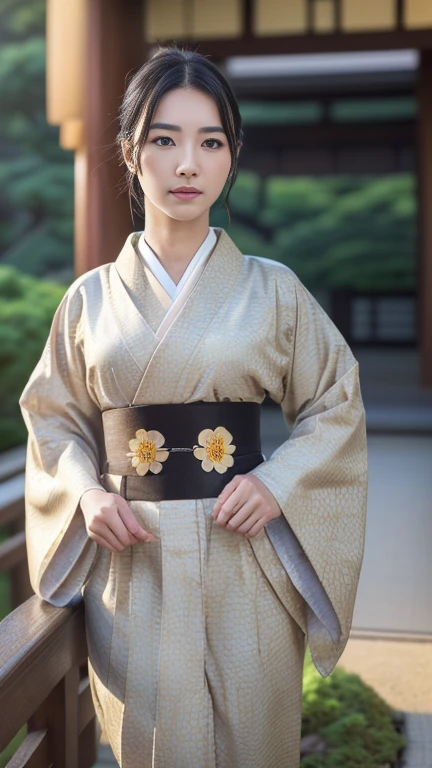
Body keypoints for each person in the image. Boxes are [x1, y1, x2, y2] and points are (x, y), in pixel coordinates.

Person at [19, 46, 368, 768]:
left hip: (245, 556)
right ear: (129, 151)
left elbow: (336, 401)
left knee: (254, 739)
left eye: (210, 142)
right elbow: (54, 417)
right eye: (164, 139)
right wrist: (84, 494)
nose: (187, 164)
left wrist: (277, 482)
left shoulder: (274, 290)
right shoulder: (88, 299)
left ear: (230, 157)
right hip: (134, 565)